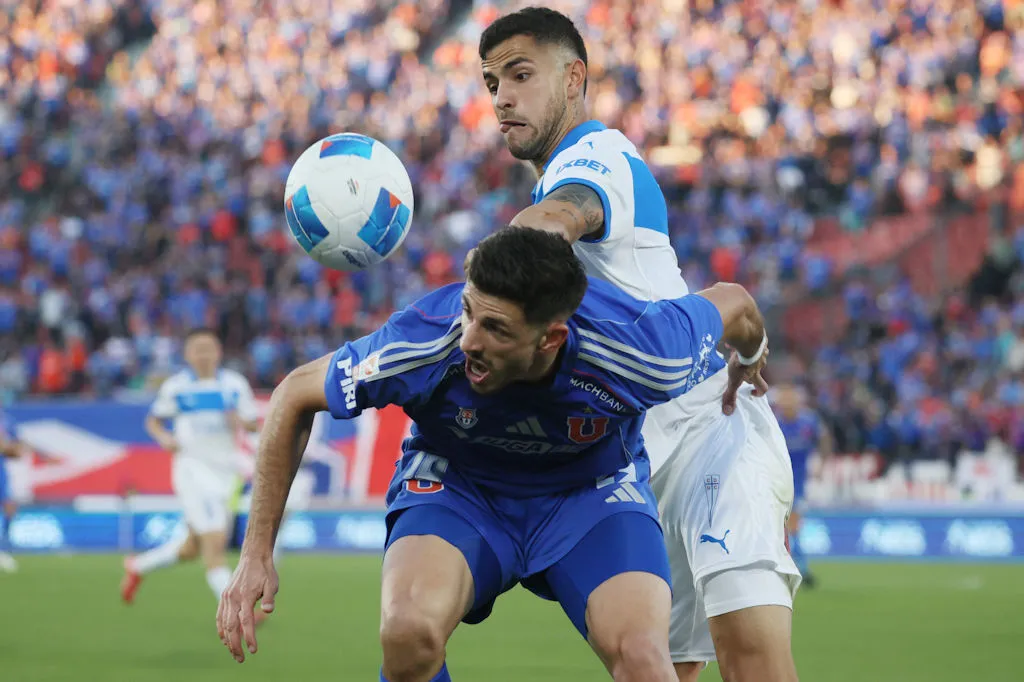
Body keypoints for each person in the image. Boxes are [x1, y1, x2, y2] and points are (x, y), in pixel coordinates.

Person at [216, 227, 769, 682]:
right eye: (469, 312)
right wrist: (256, 553)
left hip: (592, 496)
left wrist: (751, 355)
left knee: (646, 663)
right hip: (459, 488)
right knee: (408, 633)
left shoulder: (647, 348)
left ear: (551, 339)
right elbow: (294, 394)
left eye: (496, 328)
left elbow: (739, 305)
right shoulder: (425, 340)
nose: (468, 341)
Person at [479, 8, 800, 682]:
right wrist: (749, 353)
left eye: (519, 74)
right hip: (638, 464)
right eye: (490, 83)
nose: (502, 96)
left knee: (754, 665)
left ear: (574, 79)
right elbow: (734, 307)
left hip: (714, 436)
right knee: (658, 671)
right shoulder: (556, 172)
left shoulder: (600, 156)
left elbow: (559, 217)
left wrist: (493, 284)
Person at [121, 328, 261, 605]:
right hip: (192, 470)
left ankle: (137, 566)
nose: (204, 354)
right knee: (215, 545)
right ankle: (237, 607)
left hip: (225, 472)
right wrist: (164, 438)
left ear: (218, 352)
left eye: (209, 348)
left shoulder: (234, 385)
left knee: (191, 548)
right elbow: (154, 421)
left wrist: (237, 418)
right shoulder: (176, 387)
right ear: (187, 354)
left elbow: (252, 423)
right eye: (198, 348)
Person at [775, 384, 833, 588]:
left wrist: (821, 465)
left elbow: (825, 439)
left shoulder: (808, 422)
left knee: (793, 525)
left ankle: (799, 568)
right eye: (784, 402)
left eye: (791, 402)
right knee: (787, 527)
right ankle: (797, 567)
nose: (787, 406)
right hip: (776, 481)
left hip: (798, 484)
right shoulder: (775, 423)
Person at [0, 406, 26, 573]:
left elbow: (17, 450)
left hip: (1, 470)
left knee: (9, 507)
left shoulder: (7, 420)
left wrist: (8, 448)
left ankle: (4, 548)